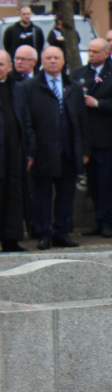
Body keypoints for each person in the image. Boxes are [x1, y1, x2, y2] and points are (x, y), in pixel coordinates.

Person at [23, 46, 86, 250]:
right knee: (41, 196)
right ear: (41, 61)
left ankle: (61, 233)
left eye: (56, 58)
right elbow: (27, 122)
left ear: (63, 61)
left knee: (66, 194)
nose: (52, 61)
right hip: (43, 151)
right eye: (48, 58)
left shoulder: (73, 87)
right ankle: (43, 233)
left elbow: (82, 121)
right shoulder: (30, 87)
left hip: (68, 151)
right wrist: (30, 151)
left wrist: (84, 150)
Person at [72, 38, 112, 238]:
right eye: (89, 51)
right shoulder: (80, 73)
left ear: (106, 54)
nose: (91, 55)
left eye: (95, 52)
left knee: (106, 181)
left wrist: (98, 103)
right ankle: (98, 221)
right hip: (86, 137)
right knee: (92, 183)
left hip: (106, 137)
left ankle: (108, 221)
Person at [0, 50, 32, 252]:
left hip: (14, 151)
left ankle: (11, 238)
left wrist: (30, 152)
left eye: (2, 64)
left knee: (13, 194)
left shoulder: (17, 89)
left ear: (10, 67)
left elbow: (26, 121)